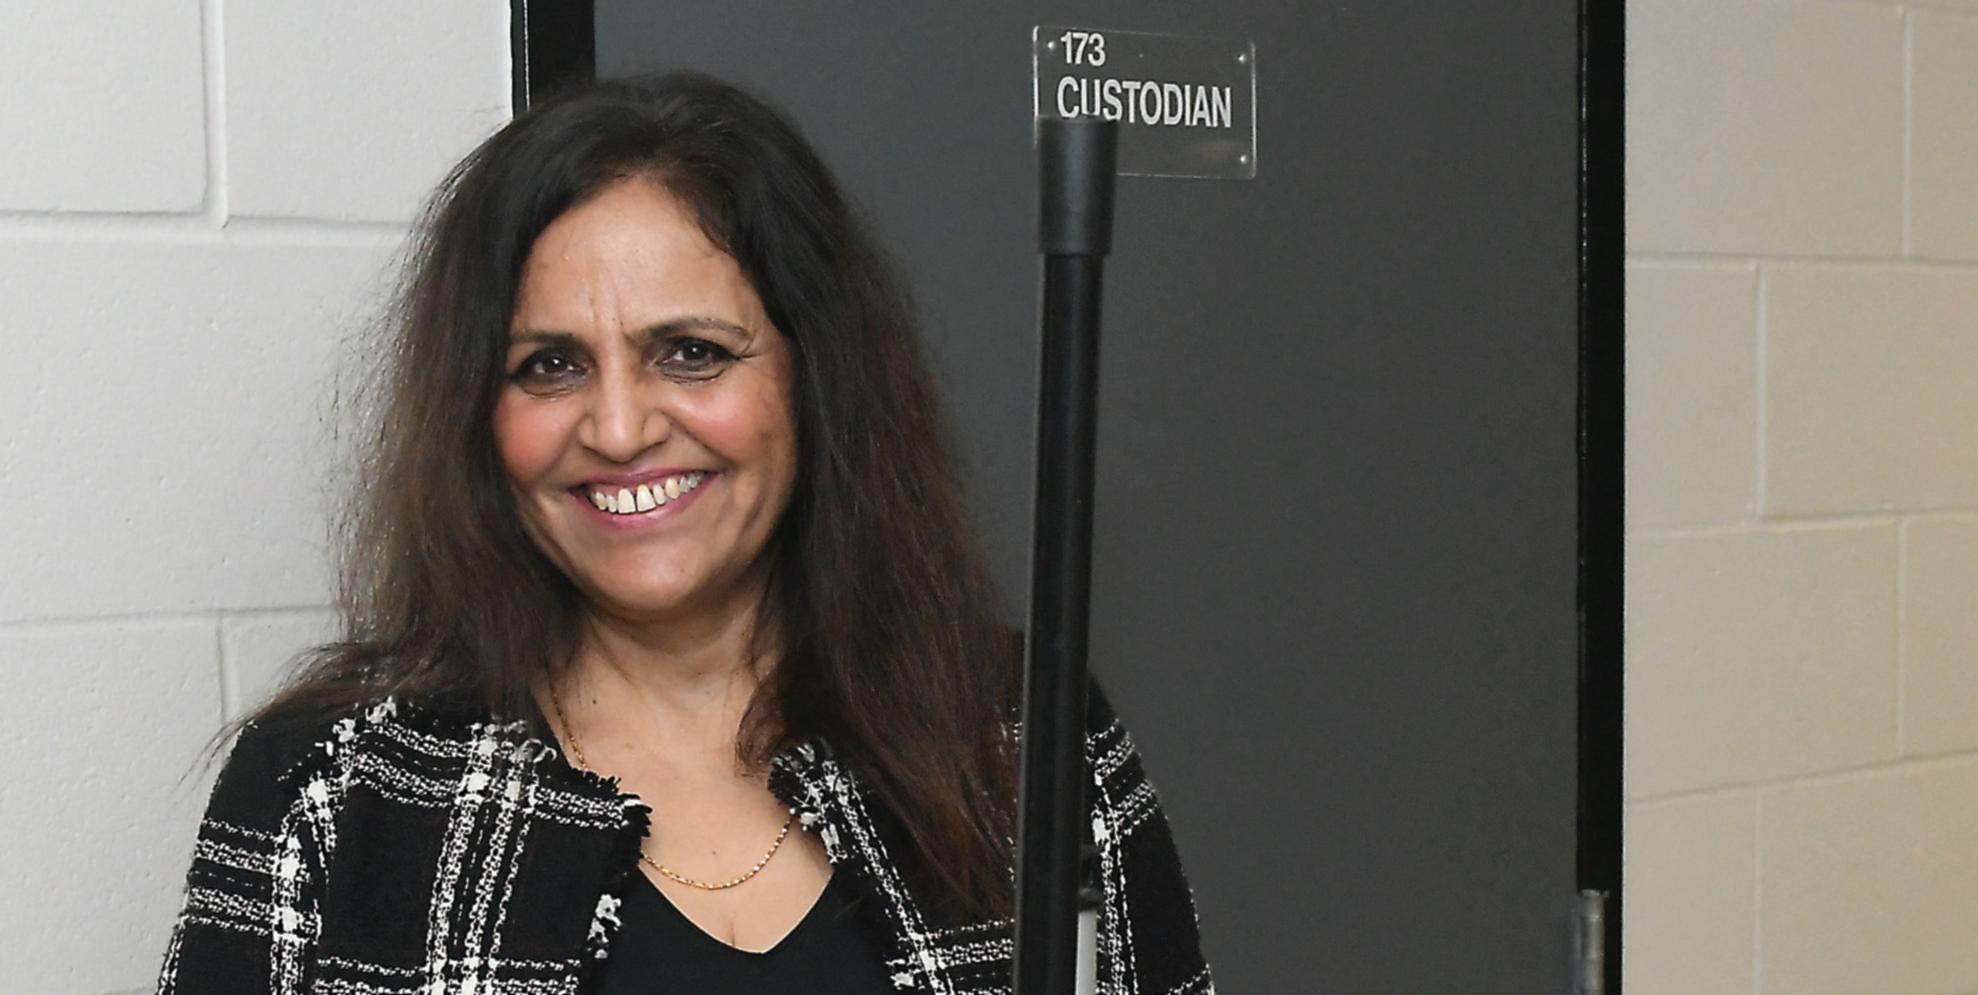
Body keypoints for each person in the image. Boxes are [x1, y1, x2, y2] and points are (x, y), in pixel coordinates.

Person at [156, 72, 1214, 995]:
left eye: (692, 352)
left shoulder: (1024, 743)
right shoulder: (333, 787)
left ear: (813, 379)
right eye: (550, 365)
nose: (619, 429)